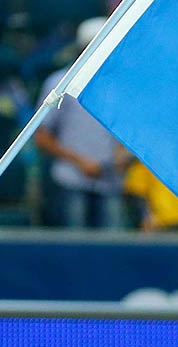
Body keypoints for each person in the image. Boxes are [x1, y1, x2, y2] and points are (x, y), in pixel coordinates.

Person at [36, 18, 130, 230]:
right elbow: (41, 136)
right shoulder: (59, 83)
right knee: (74, 249)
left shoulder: (120, 87)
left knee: (113, 249)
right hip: (71, 179)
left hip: (110, 180)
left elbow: (126, 130)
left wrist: (121, 153)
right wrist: (79, 161)